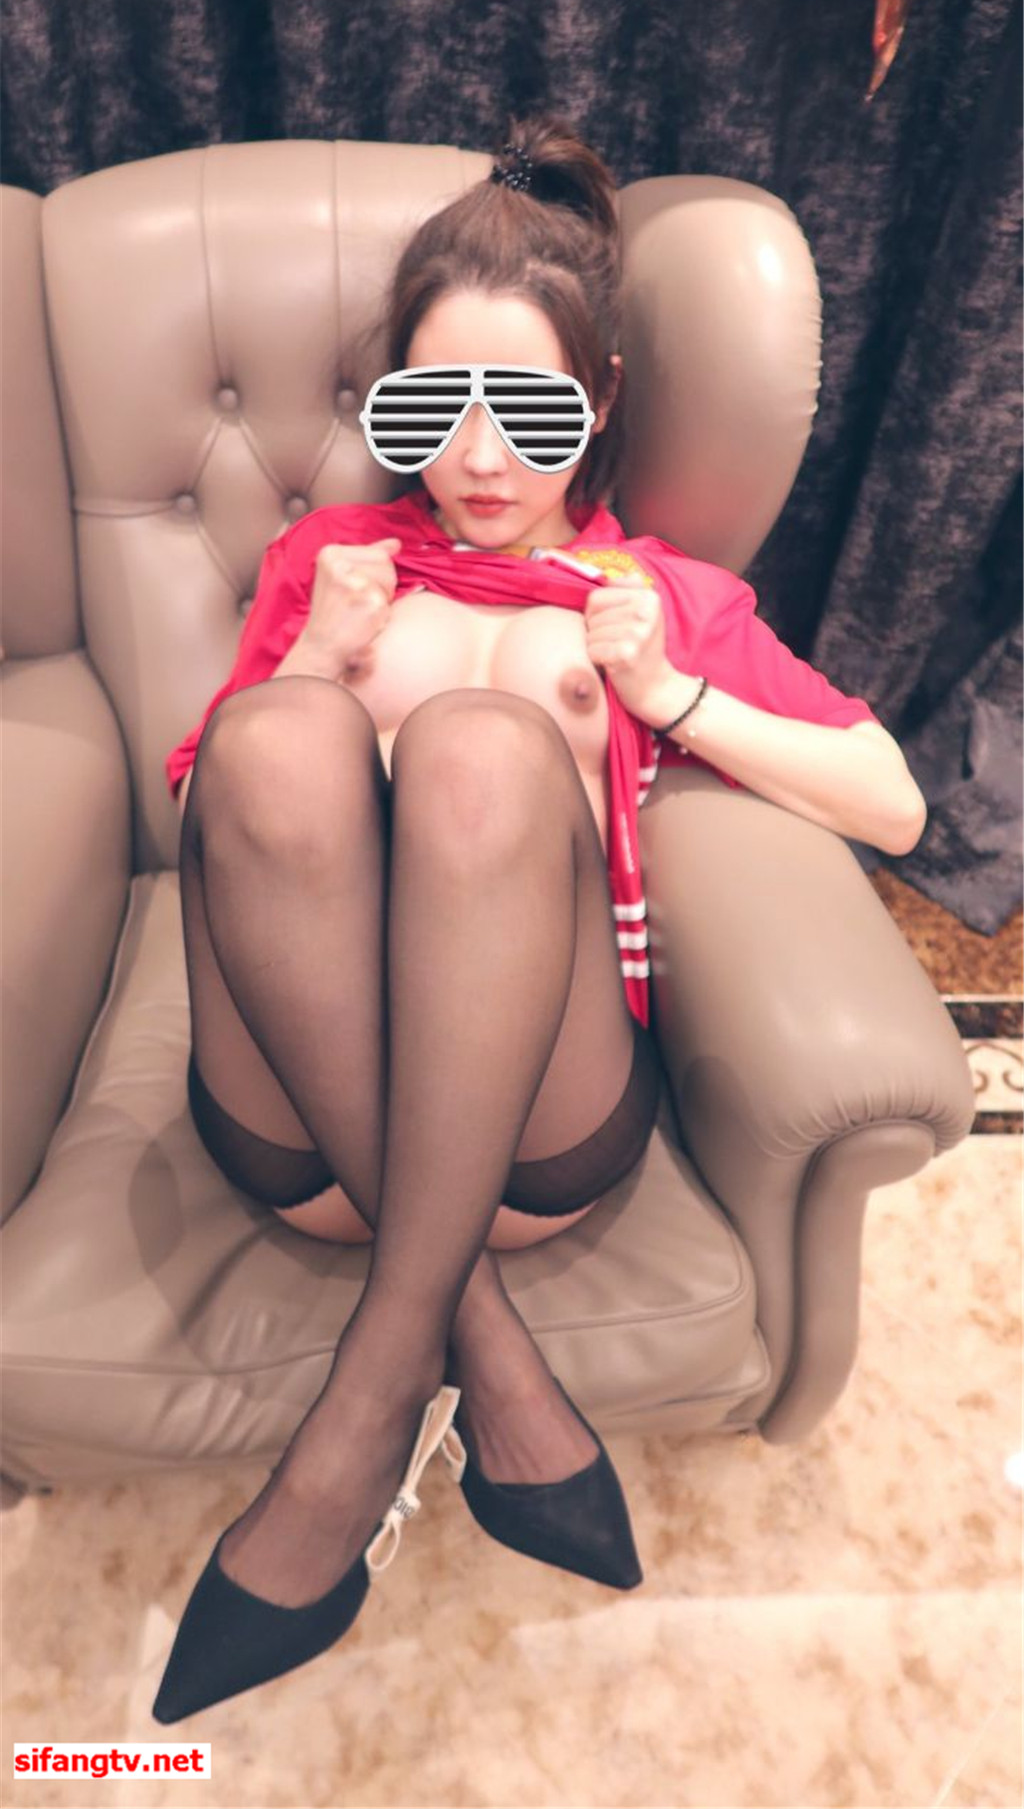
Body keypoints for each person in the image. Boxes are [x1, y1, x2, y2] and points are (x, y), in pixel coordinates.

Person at [153, 115, 924, 1722]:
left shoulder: (657, 599)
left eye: (533, 411)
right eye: (433, 407)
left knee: (482, 753)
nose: (481, 457)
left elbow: (893, 802)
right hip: (302, 1127)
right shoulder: (333, 560)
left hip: (532, 1137)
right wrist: (316, 661)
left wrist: (671, 693)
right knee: (271, 739)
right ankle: (479, 1352)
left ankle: (362, 1420)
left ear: (603, 402)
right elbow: (210, 816)